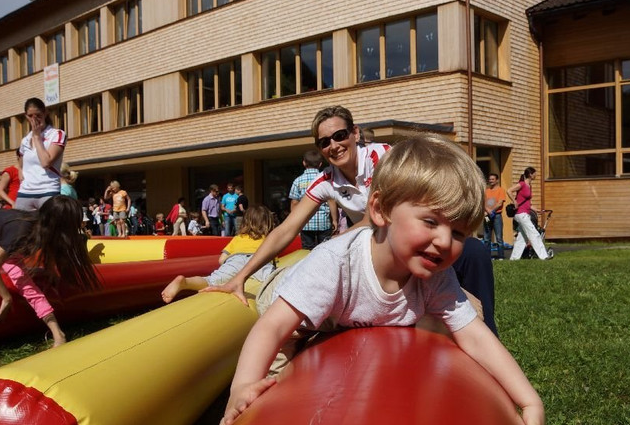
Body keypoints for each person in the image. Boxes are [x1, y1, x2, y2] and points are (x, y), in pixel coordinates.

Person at [216, 134, 548, 425]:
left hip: (341, 314)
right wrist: (243, 386)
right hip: (291, 309)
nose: (445, 241)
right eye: (430, 221)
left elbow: (474, 335)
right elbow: (273, 327)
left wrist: (529, 400)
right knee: (271, 386)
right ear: (380, 210)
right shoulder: (337, 262)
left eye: (459, 232)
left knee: (468, 307)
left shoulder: (435, 273)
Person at [205, 105, 499, 335]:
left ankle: (486, 337)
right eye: (324, 142)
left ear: (355, 133)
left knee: (474, 253)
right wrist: (241, 277)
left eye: (339, 135)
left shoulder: (385, 157)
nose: (333, 145)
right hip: (383, 254)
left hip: (411, 241)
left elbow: (378, 217)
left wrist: (334, 242)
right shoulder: (326, 181)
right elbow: (286, 229)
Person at [0, 195, 100, 347]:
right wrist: (6, 298)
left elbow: (49, 252)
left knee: (27, 286)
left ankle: (58, 334)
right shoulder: (21, 230)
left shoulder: (44, 229)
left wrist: (50, 272)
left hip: (7, 250)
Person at [161, 205, 279, 303]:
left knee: (212, 280)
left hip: (235, 259)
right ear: (268, 223)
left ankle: (185, 282)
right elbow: (273, 259)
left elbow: (221, 259)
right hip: (258, 260)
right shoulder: (268, 238)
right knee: (273, 280)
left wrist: (231, 267)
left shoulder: (239, 238)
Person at [14, 97, 67, 211]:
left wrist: (37, 137)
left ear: (45, 113)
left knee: (48, 222)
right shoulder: (25, 140)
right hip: (25, 192)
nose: (34, 119)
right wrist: (23, 180)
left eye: (38, 115)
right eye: (30, 116)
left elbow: (46, 162)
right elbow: (21, 166)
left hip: (47, 190)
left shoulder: (57, 134)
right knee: (19, 222)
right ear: (26, 116)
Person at [288, 149, 336, 250]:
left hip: (305, 223)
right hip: (323, 223)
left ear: (304, 163)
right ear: (320, 164)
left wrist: (294, 223)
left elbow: (294, 203)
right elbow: (331, 200)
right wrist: (335, 220)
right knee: (325, 250)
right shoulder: (325, 179)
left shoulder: (298, 181)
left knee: (307, 251)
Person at [506, 167, 551, 261]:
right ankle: (544, 256)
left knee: (522, 238)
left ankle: (514, 259)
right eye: (535, 173)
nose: (536, 175)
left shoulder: (529, 186)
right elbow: (509, 190)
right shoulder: (522, 184)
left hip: (525, 213)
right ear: (530, 174)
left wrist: (537, 210)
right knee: (534, 234)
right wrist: (514, 201)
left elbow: (528, 204)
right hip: (521, 214)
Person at [483, 172, 506, 254]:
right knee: (486, 238)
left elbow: (500, 203)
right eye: (490, 179)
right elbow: (483, 203)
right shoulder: (486, 191)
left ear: (497, 180)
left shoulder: (501, 190)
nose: (491, 181)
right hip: (487, 216)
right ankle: (486, 256)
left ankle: (501, 256)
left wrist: (491, 211)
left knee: (499, 238)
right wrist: (487, 211)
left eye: (492, 179)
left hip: (497, 216)